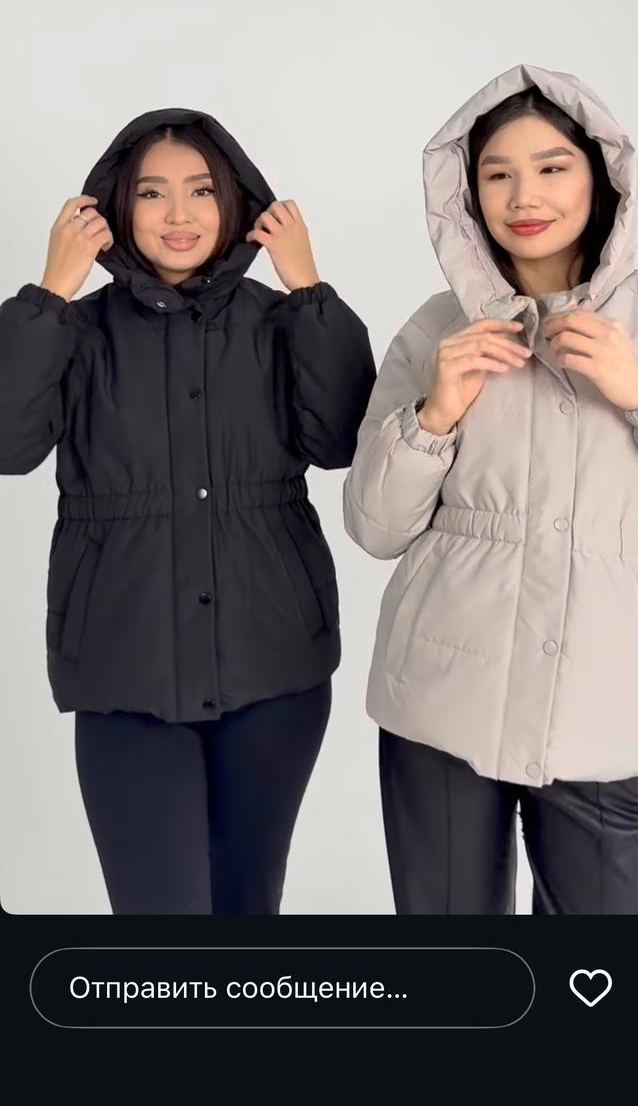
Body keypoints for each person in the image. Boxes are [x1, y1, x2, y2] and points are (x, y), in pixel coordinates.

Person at [343, 63, 638, 915]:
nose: (525, 196)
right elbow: (374, 527)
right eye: (497, 174)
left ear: (602, 177)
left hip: (610, 706)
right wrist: (435, 415)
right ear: (467, 194)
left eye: (552, 167)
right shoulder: (437, 329)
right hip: (442, 699)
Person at [0, 106, 375, 914]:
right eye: (152, 193)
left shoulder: (281, 322)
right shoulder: (76, 330)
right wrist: (50, 292)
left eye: (202, 191)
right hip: (124, 673)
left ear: (236, 203)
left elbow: (343, 439)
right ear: (116, 208)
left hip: (274, 670)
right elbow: (7, 443)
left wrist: (308, 288)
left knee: (247, 912)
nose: (179, 214)